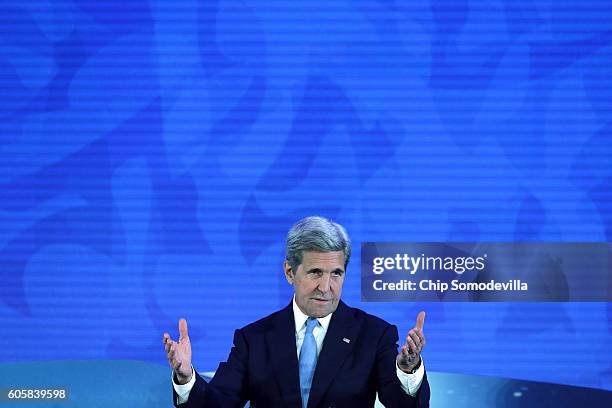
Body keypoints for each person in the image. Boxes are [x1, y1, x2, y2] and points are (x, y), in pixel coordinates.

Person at [163, 216, 430, 407]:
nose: (326, 287)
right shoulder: (253, 339)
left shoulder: (374, 334)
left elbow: (403, 405)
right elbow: (219, 404)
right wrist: (186, 377)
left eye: (336, 274)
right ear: (290, 272)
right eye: (315, 272)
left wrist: (408, 371)